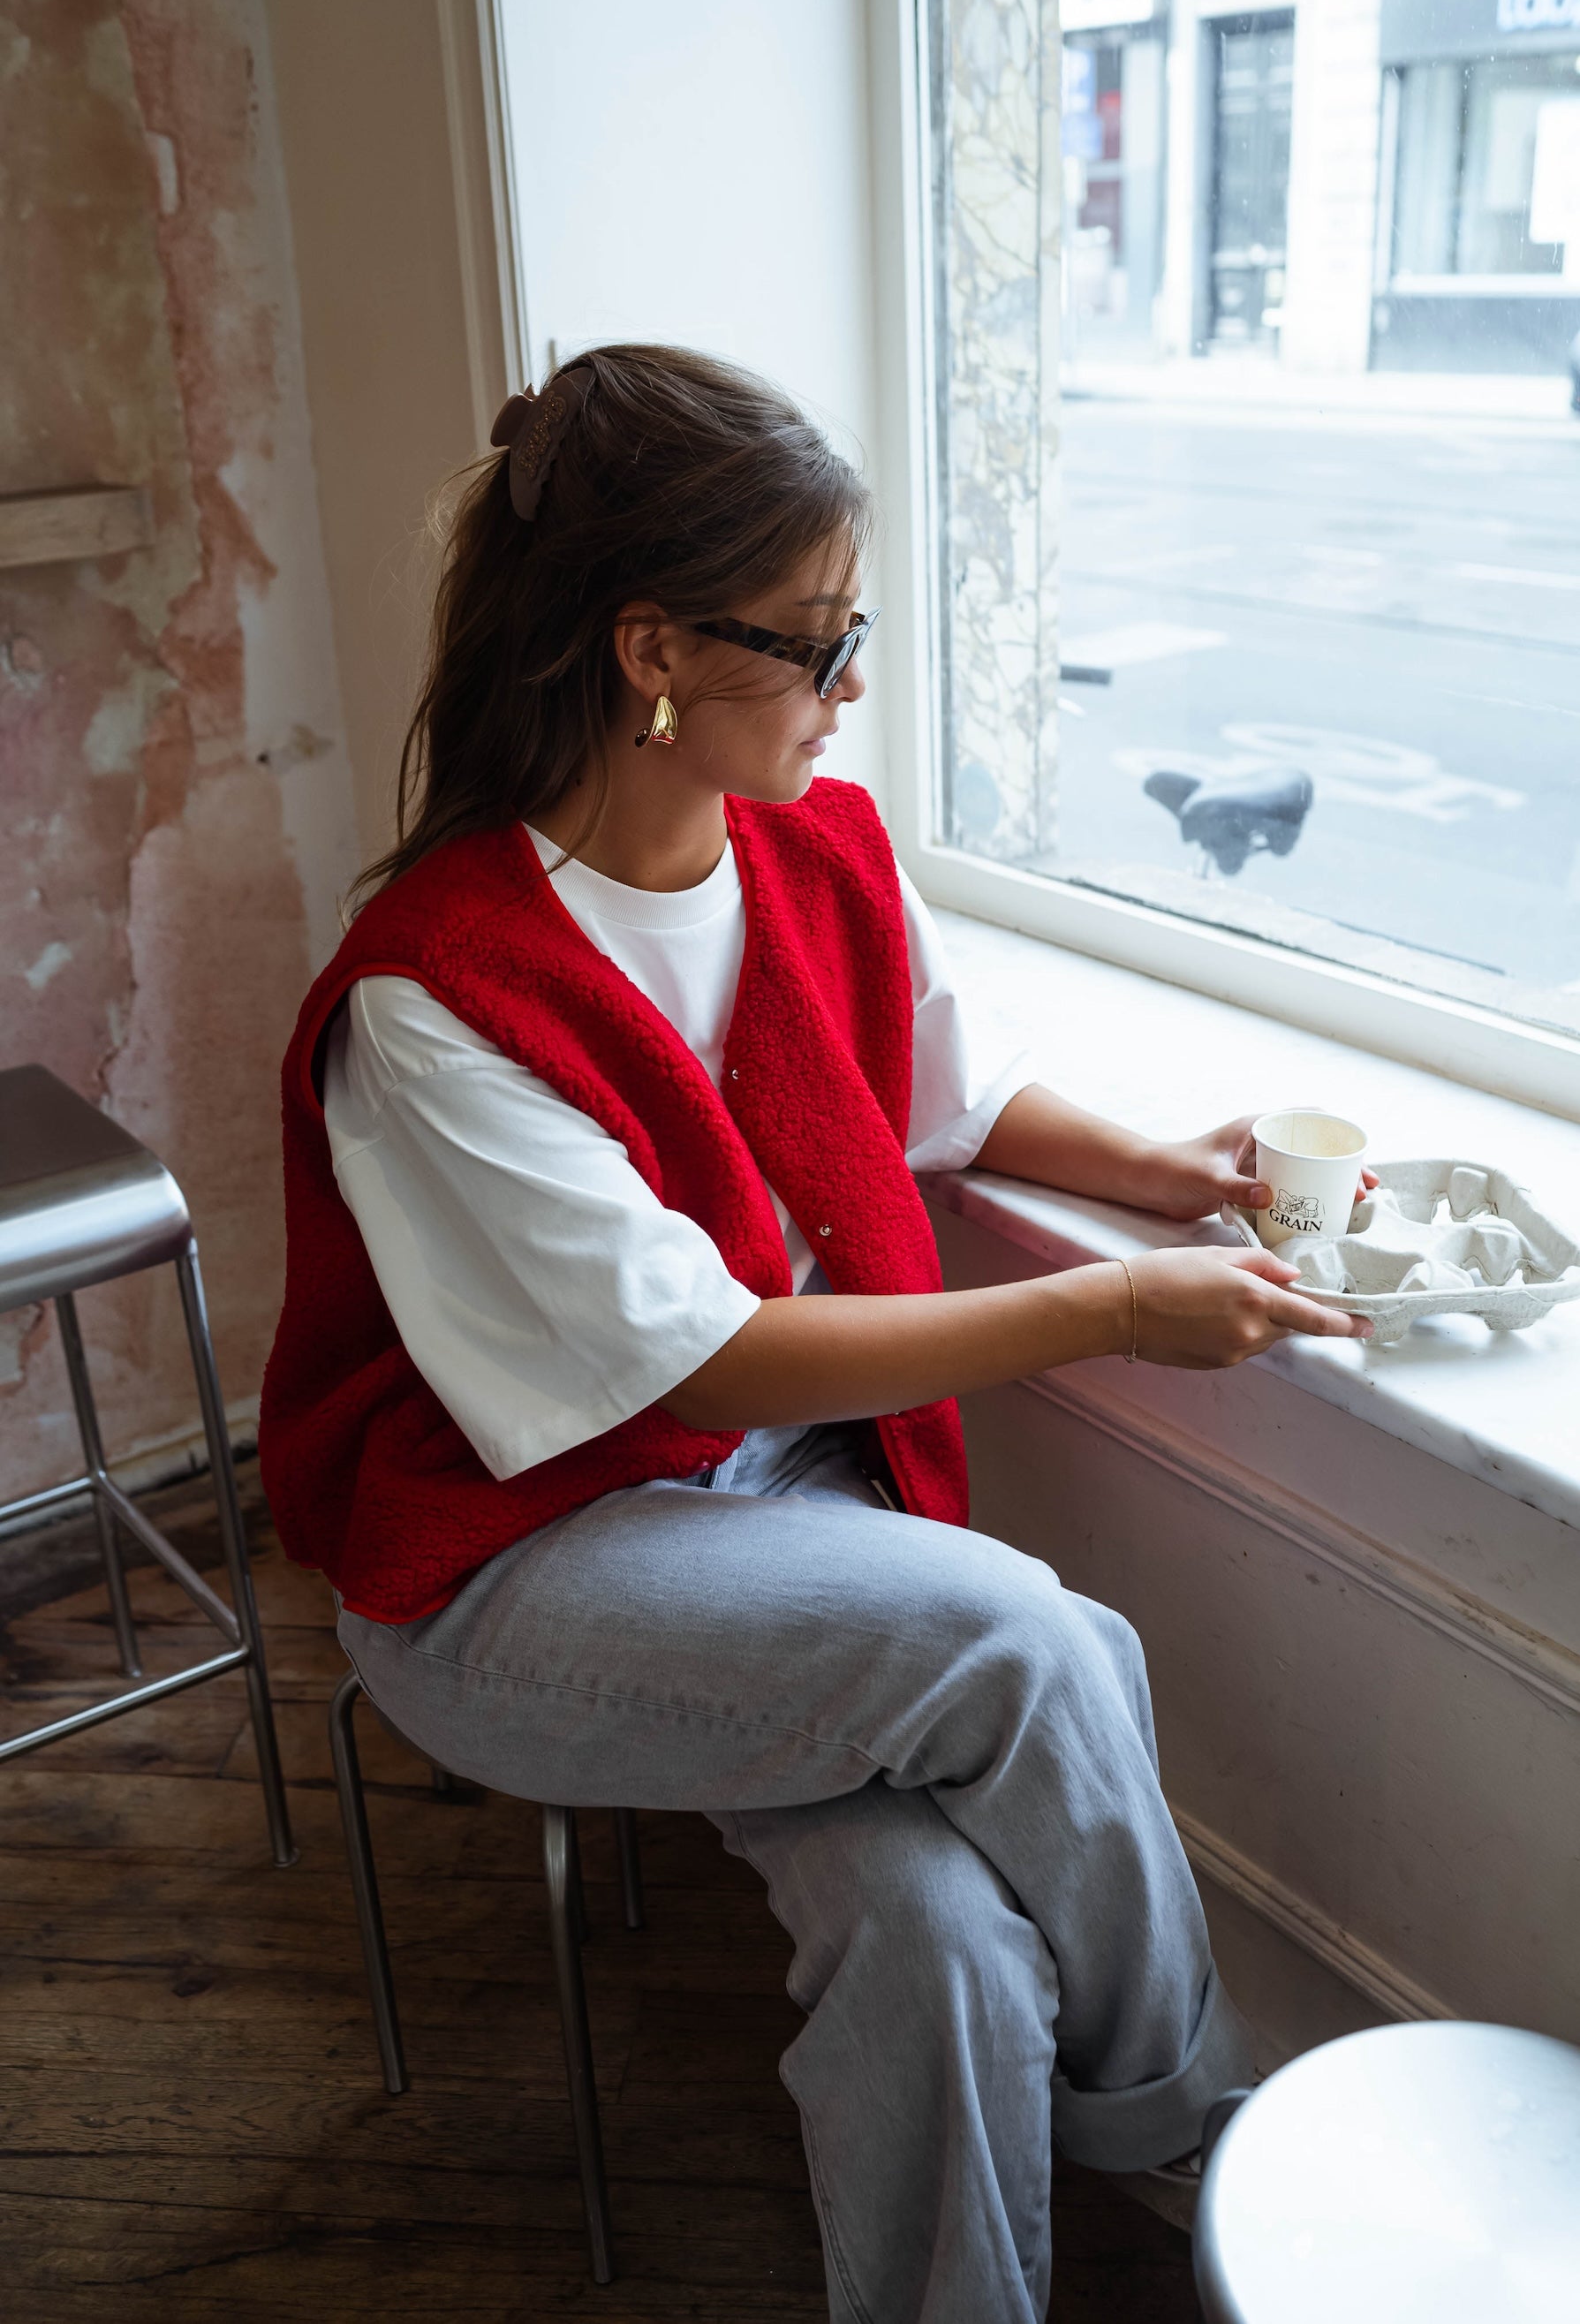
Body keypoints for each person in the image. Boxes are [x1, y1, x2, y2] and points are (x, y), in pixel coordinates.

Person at [259, 344, 1372, 2323]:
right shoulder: (430, 996)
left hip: (766, 1513)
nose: (854, 683)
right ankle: (1188, 2149)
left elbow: (930, 1094)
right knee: (1030, 1640)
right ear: (649, 651)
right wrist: (1109, 1309)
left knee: (933, 1930)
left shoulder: (816, 854)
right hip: (511, 1561)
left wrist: (1159, 1171)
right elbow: (697, 1360)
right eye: (816, 638)